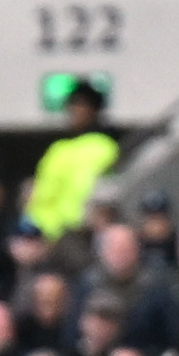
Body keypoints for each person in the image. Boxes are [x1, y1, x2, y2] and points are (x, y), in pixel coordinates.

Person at [26, 80, 117, 240]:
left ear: (93, 110)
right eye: (72, 105)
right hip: (42, 231)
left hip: (74, 231)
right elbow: (42, 192)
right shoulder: (59, 148)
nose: (74, 111)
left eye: (81, 105)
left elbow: (83, 189)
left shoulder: (102, 146)